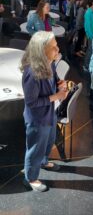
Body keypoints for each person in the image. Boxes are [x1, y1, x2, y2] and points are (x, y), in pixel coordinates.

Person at [20, 31, 68, 192]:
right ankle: (30, 178)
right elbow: (31, 102)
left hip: (49, 113)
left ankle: (44, 161)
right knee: (35, 148)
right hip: (37, 118)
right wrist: (57, 96)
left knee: (49, 139)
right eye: (53, 47)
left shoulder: (50, 62)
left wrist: (60, 83)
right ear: (42, 50)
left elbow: (54, 78)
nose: (58, 49)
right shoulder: (31, 73)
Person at [83, 0, 93, 71]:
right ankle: (85, 65)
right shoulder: (88, 13)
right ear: (92, 3)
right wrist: (91, 36)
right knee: (90, 50)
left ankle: (89, 64)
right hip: (91, 36)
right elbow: (87, 27)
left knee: (92, 51)